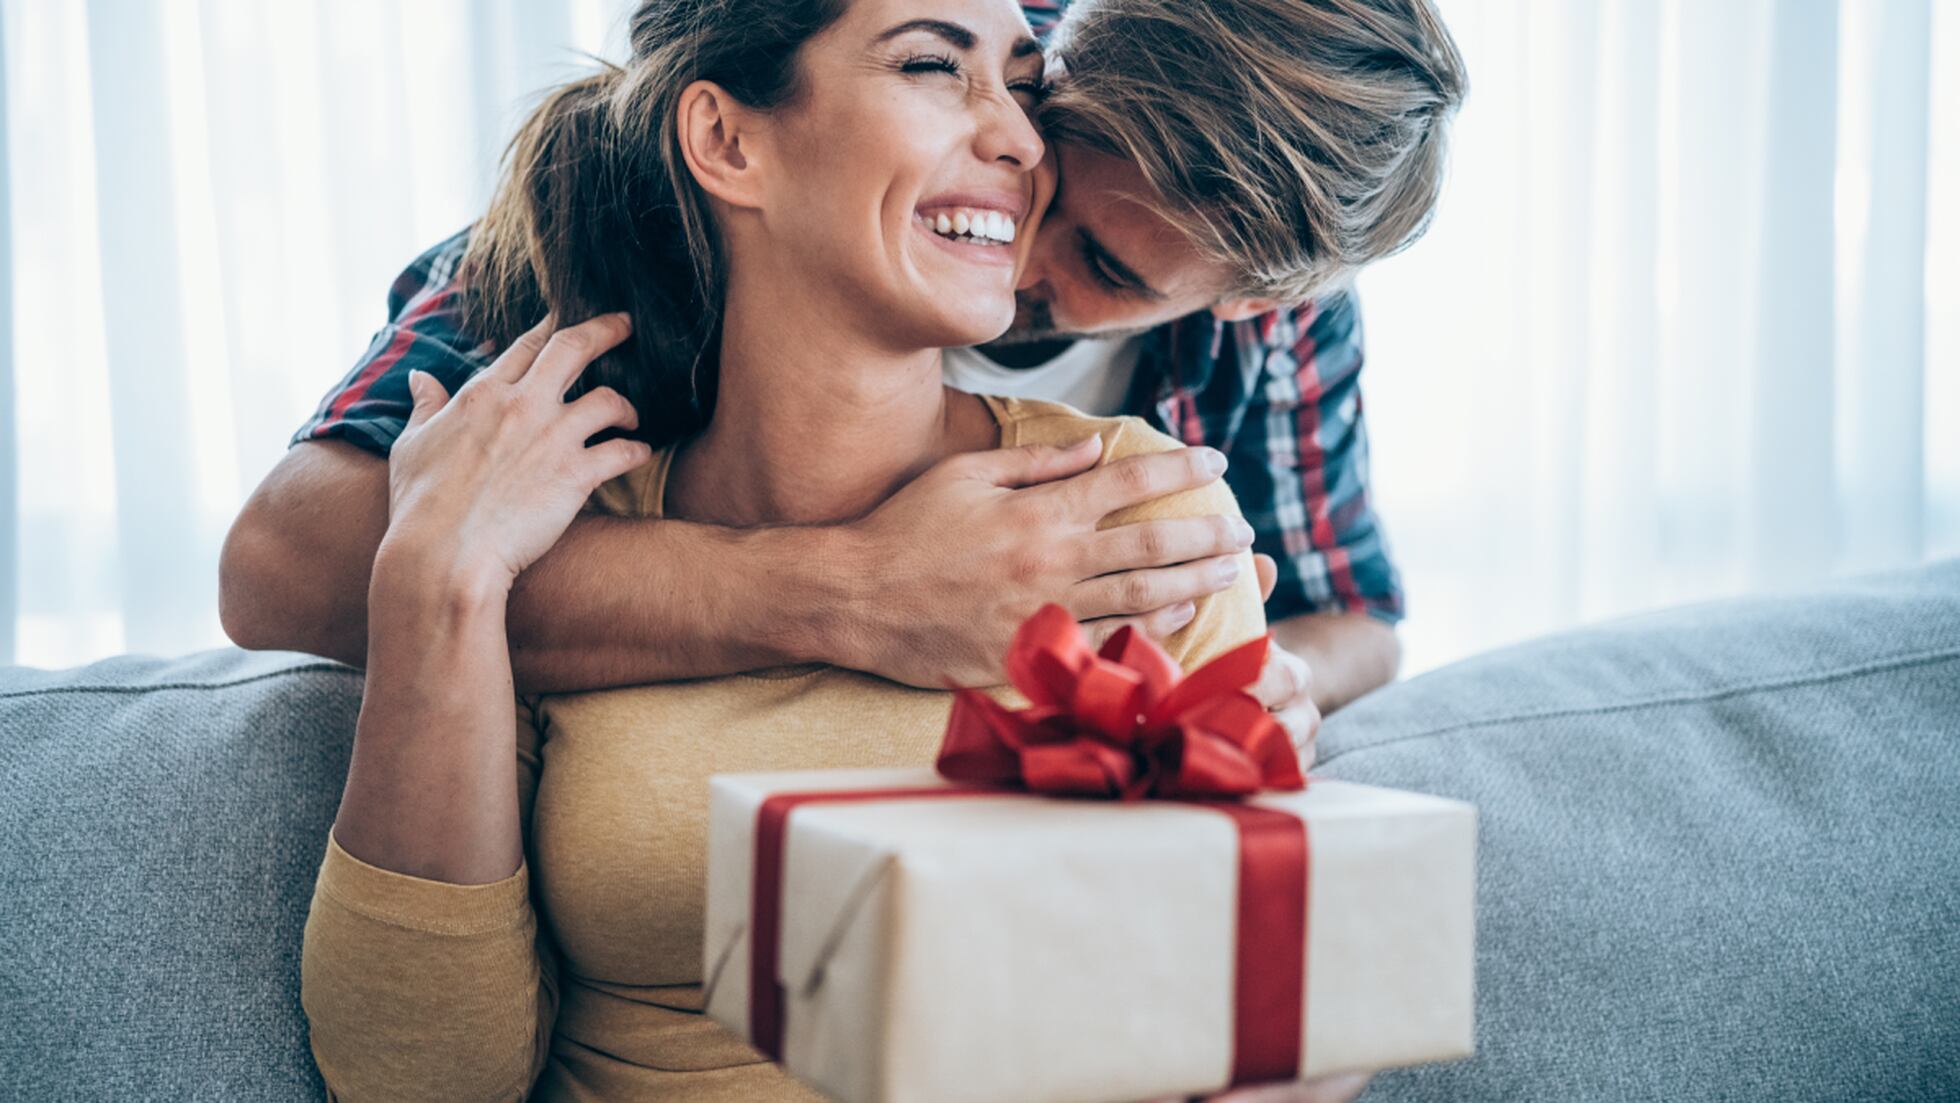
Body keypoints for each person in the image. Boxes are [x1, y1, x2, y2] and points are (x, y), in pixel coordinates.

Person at [298, 1, 1375, 1099]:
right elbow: (421, 1079)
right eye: (929, 66)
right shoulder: (552, 509)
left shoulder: (1139, 516)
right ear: (726, 141)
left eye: (1020, 83)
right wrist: (443, 576)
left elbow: (1275, 1016)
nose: (1024, 141)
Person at [218, 0, 1467, 761]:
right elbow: (286, 559)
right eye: (1041, 127)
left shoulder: (1268, 324)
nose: (1014, 221)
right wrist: (856, 590)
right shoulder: (821, 122)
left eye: (1101, 261)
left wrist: (1260, 677)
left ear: (1254, 298)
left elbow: (1355, 611)